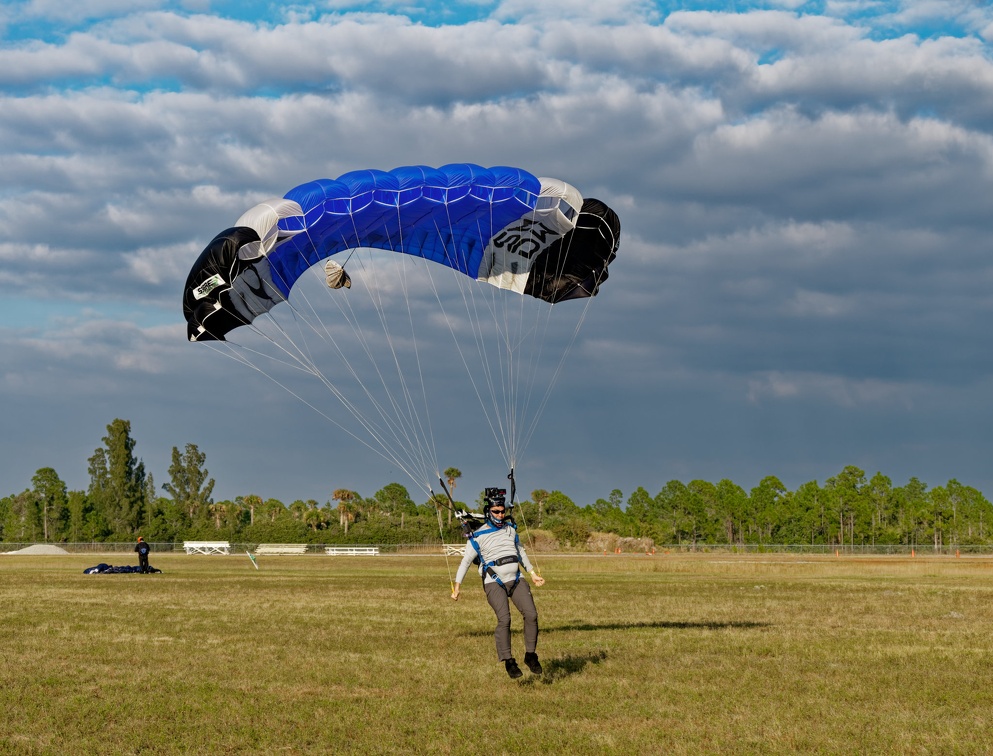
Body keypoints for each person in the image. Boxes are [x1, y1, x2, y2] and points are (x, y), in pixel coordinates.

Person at [451, 488, 545, 678]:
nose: (500, 515)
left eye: (502, 511)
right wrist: (457, 586)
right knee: (505, 619)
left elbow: (521, 553)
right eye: (496, 512)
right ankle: (509, 661)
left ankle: (530, 655)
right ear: (488, 512)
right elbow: (465, 562)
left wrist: (533, 573)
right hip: (494, 582)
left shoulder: (510, 530)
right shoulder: (478, 536)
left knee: (532, 615)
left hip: (517, 579)